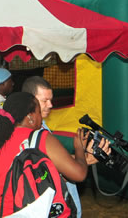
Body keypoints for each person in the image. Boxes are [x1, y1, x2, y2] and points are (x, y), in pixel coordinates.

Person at [0, 92, 97, 217]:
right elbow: (79, 174)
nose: (41, 118)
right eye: (38, 112)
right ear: (30, 117)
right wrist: (79, 148)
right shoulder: (42, 137)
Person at [23, 76, 86, 217]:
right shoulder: (35, 132)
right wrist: (79, 150)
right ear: (30, 100)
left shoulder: (41, 125)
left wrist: (86, 158)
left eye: (51, 100)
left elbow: (55, 162)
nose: (50, 105)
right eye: (45, 100)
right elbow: (67, 172)